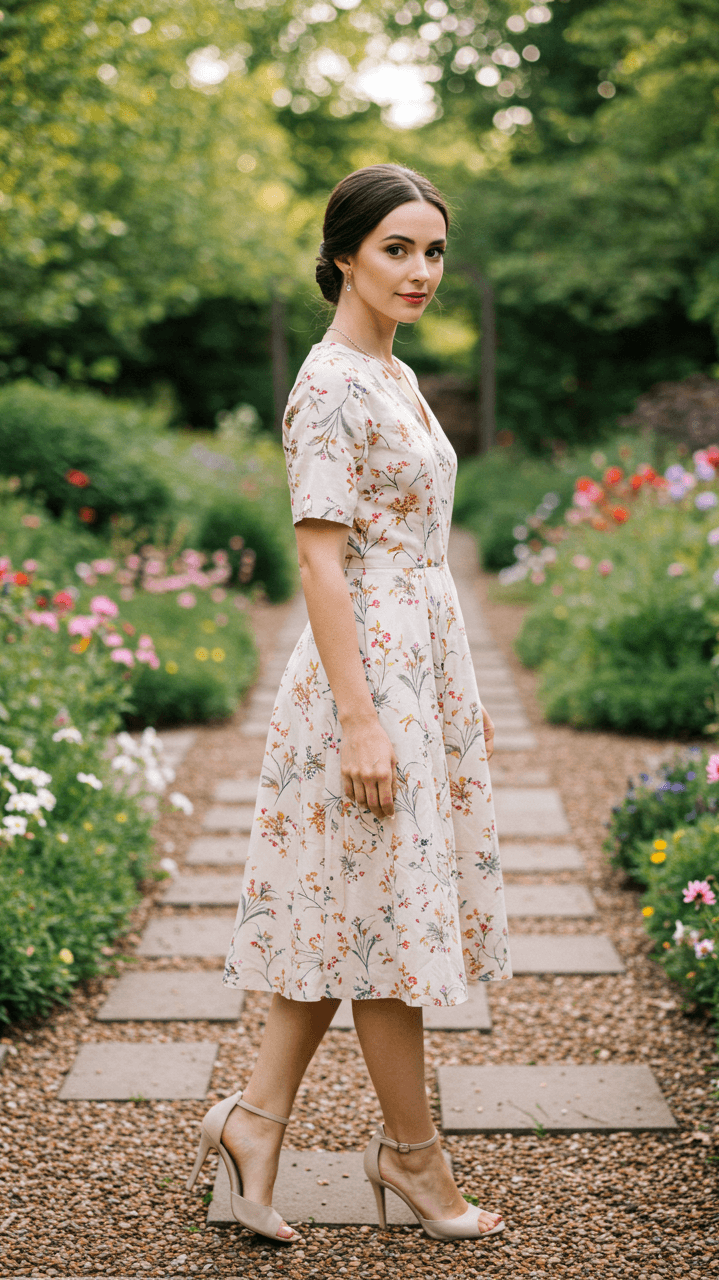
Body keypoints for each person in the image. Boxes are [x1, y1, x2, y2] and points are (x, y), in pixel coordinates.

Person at [187, 163, 511, 1244]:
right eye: (396, 249)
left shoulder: (394, 373)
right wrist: (364, 718)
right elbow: (321, 564)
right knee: (385, 925)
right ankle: (411, 1156)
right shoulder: (328, 384)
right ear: (342, 257)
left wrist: (447, 695)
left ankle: (255, 1121)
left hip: (414, 665)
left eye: (433, 251)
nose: (420, 271)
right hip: (362, 674)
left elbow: (414, 546)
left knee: (351, 910)